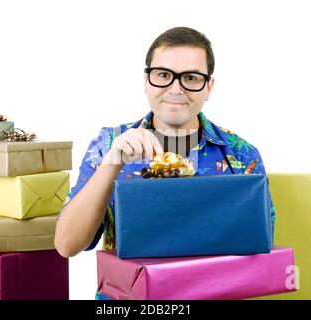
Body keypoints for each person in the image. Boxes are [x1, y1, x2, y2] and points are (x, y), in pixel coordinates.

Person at [54, 26, 275, 259]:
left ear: (208, 87)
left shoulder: (241, 155)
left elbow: (259, 248)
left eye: (191, 77)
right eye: (163, 75)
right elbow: (67, 245)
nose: (176, 89)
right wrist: (111, 164)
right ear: (146, 81)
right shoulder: (108, 143)